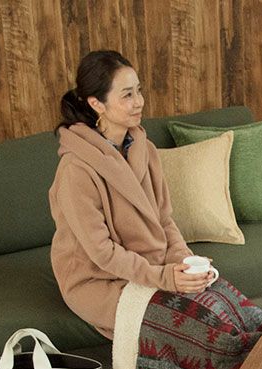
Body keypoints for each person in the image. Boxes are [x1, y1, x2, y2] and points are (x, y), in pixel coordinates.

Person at [49, 50, 215, 339]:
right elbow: (102, 252)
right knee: (194, 326)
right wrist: (165, 278)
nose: (139, 101)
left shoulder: (144, 148)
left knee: (224, 305)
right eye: (127, 95)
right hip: (98, 280)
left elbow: (164, 220)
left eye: (139, 91)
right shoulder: (76, 170)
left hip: (152, 267)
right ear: (96, 104)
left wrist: (184, 263)